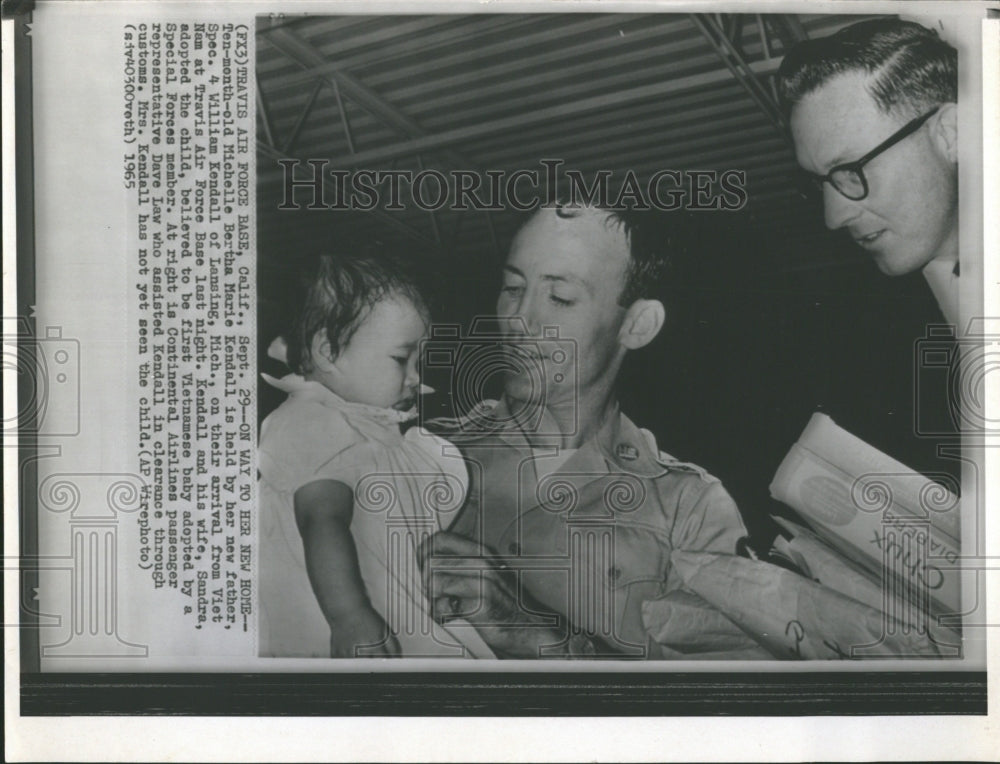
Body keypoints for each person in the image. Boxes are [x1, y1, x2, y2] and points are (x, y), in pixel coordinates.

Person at [419, 204, 766, 659]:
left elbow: (723, 704)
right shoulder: (422, 450)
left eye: (560, 298)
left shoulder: (690, 508)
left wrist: (536, 635)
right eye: (512, 288)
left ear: (637, 325)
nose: (519, 320)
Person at [257, 249, 490, 658]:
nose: (417, 377)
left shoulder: (372, 430)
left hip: (392, 604)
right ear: (329, 352)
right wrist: (349, 616)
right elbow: (321, 518)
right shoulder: (310, 417)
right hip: (342, 617)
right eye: (402, 359)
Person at [777, 18, 959, 324]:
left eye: (851, 170)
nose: (833, 218)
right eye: (821, 182)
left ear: (950, 133)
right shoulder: (884, 323)